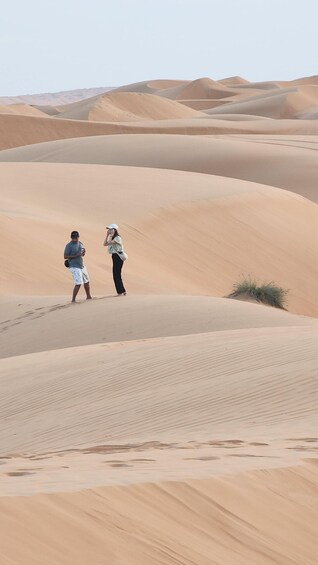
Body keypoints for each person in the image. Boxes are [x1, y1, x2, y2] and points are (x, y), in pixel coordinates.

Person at [64, 230, 92, 303]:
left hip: (81, 265)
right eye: (73, 237)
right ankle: (73, 299)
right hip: (73, 266)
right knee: (78, 283)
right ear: (71, 237)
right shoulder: (68, 246)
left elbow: (83, 253)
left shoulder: (80, 243)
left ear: (78, 237)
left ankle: (88, 296)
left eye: (75, 237)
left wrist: (84, 252)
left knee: (87, 281)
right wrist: (75, 256)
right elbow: (65, 256)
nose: (74, 238)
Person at [103, 223, 127, 296]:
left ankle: (120, 292)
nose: (109, 230)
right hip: (114, 256)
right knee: (116, 274)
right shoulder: (112, 237)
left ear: (114, 230)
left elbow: (110, 242)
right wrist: (107, 235)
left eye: (110, 229)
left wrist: (110, 235)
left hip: (118, 257)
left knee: (116, 274)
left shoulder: (117, 238)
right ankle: (122, 291)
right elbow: (104, 244)